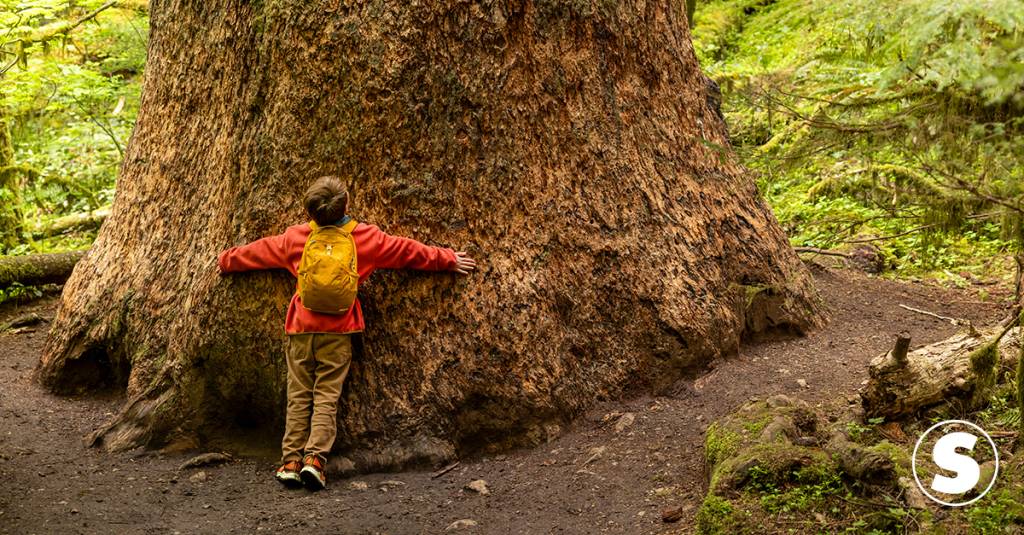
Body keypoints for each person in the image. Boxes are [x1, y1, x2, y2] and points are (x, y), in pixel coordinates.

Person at [217, 176, 476, 490]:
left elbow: (257, 252)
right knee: (326, 398)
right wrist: (447, 259)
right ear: (346, 205)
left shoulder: (295, 238)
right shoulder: (366, 238)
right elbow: (408, 251)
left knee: (299, 396)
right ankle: (315, 461)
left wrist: (225, 261)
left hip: (301, 329)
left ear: (310, 212)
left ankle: (290, 462)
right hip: (339, 331)